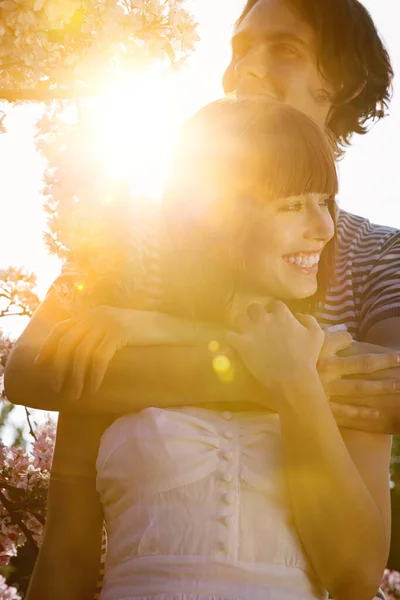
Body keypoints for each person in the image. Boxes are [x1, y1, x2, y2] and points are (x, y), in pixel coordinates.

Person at [3, 0, 399, 596]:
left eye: (284, 50)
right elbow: (38, 368)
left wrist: (139, 340)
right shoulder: (127, 231)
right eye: (239, 49)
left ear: (343, 83)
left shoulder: (380, 254)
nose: (248, 69)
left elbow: (385, 389)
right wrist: (290, 367)